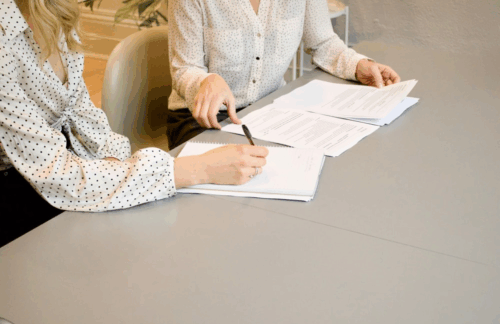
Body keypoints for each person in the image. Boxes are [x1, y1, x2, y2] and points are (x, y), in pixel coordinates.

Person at [0, 0, 268, 247]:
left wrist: (121, 167)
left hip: (61, 166)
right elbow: (58, 175)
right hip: (20, 187)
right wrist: (198, 169)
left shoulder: (53, 12)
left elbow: (85, 119)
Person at [167, 0, 402, 149]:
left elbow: (322, 42)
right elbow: (184, 69)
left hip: (269, 112)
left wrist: (358, 65)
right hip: (203, 120)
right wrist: (205, 81)